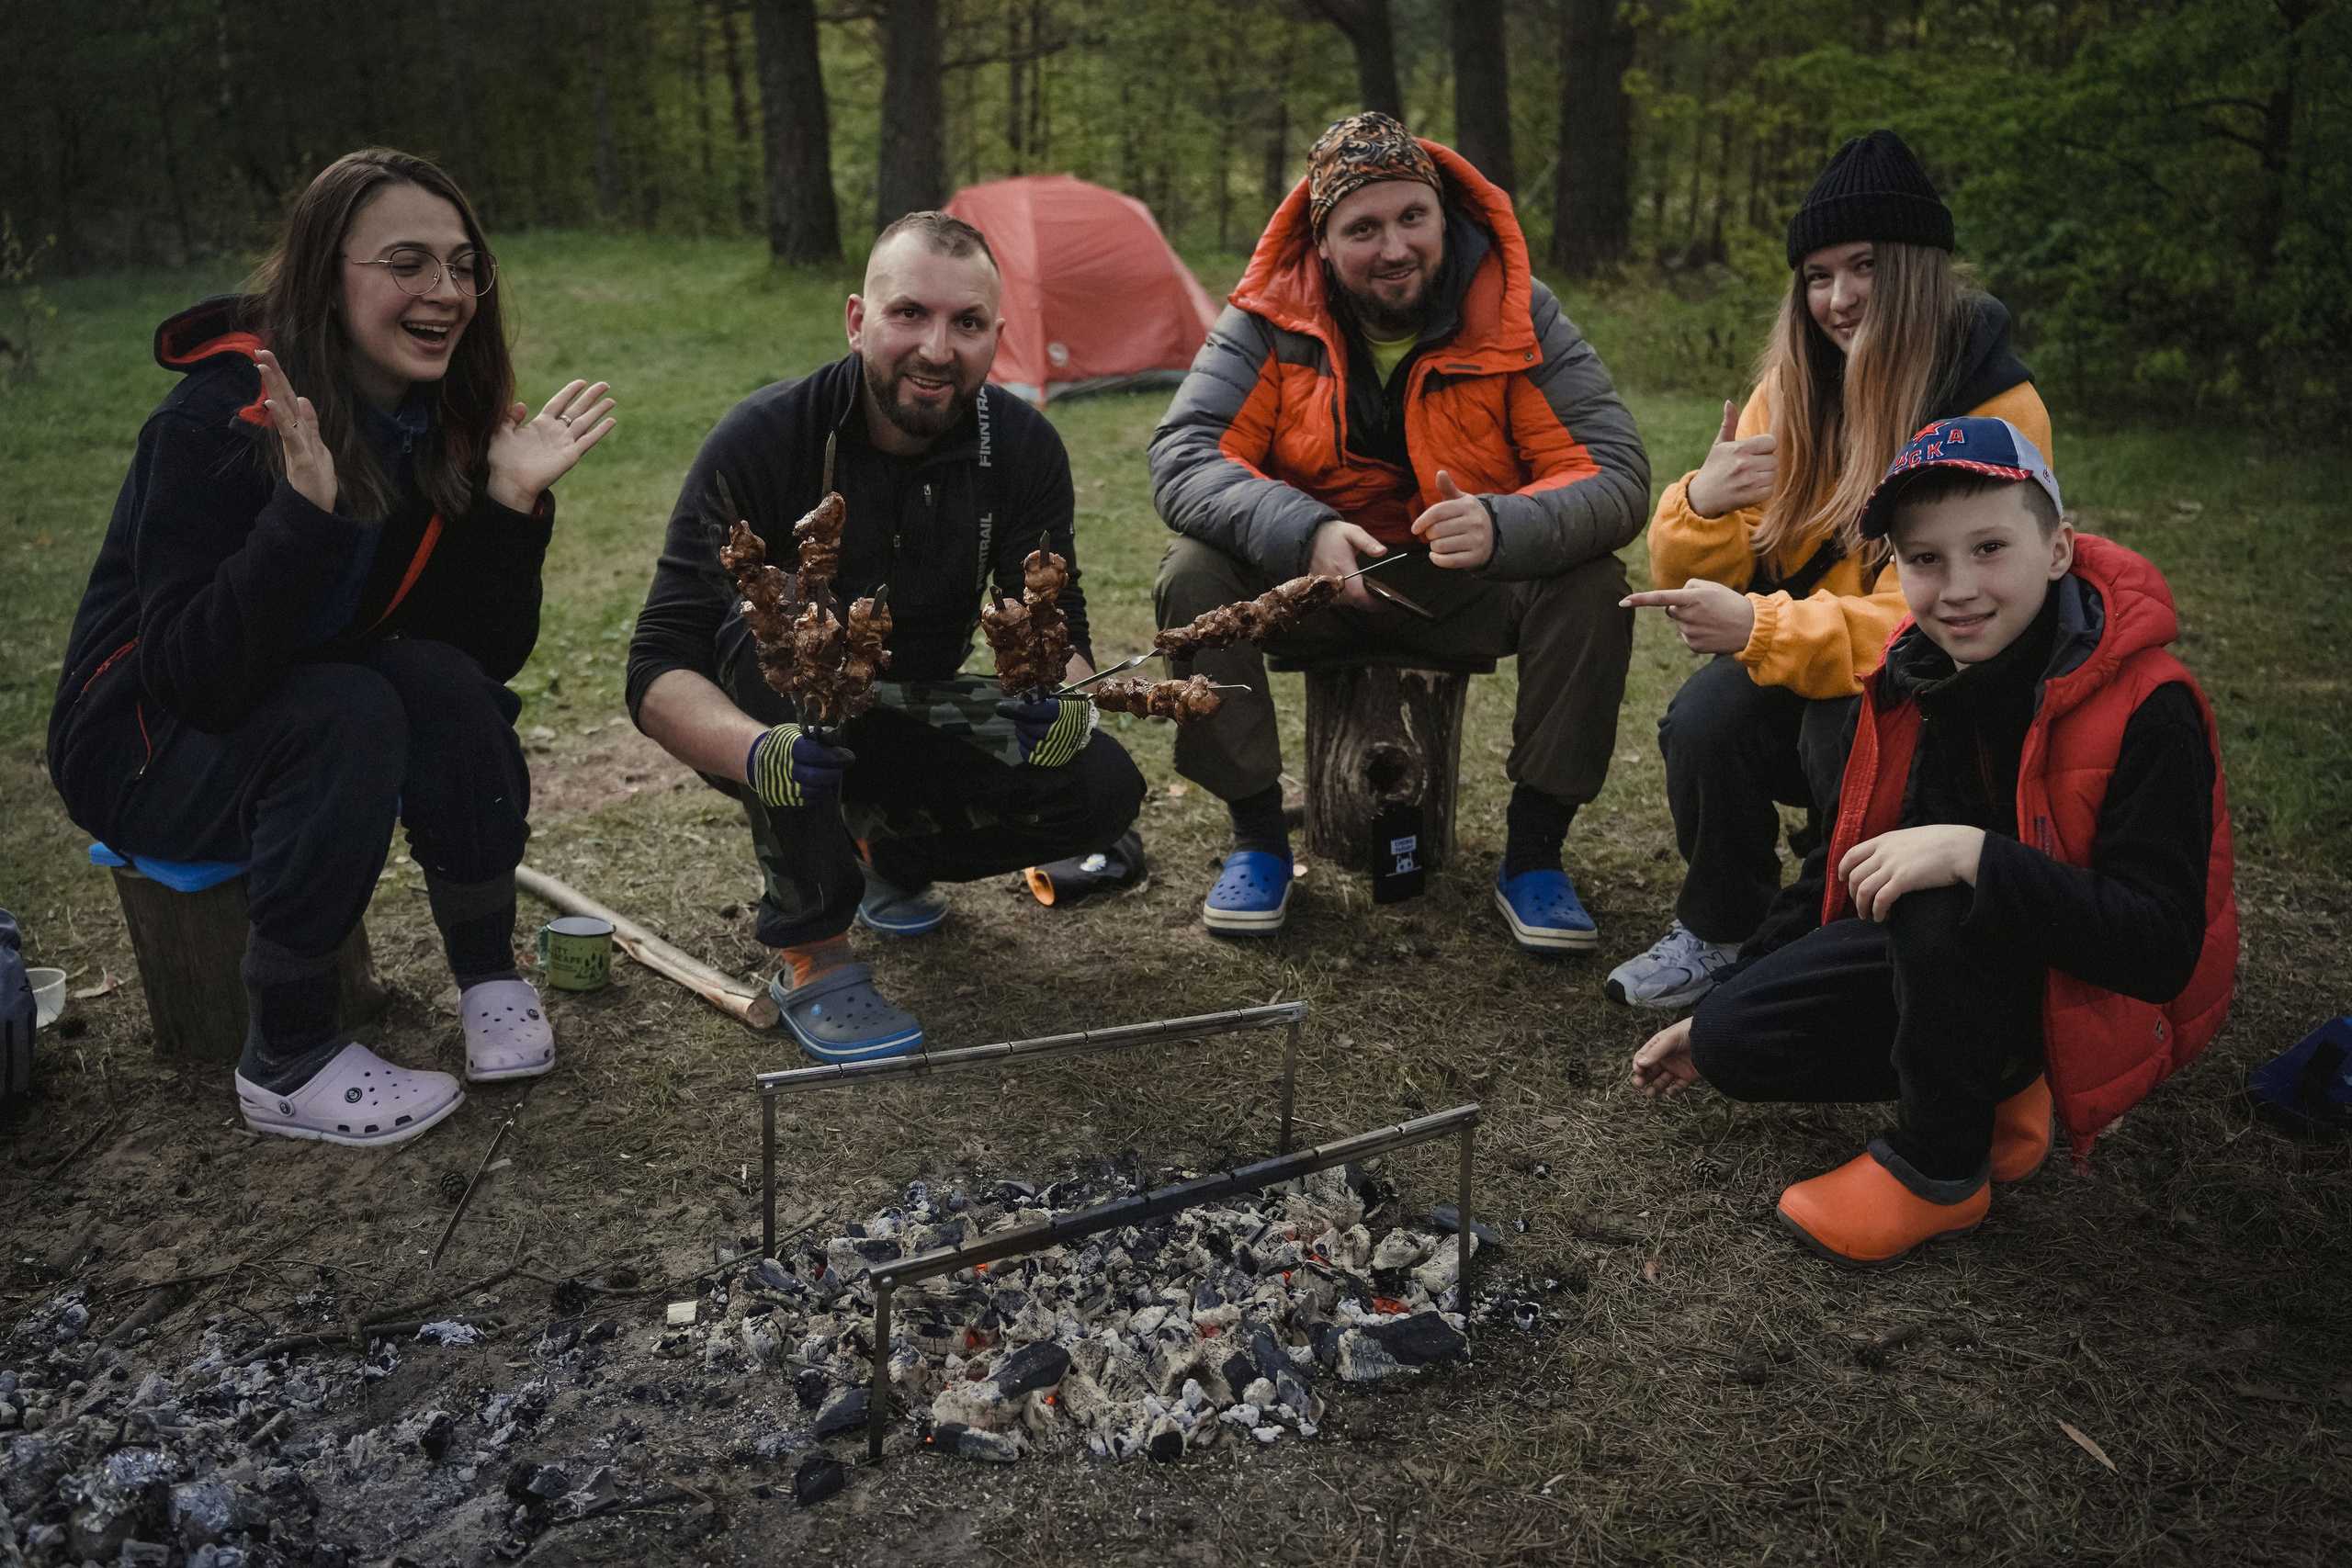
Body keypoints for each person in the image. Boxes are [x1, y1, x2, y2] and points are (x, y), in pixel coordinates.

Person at [48, 148, 617, 1145]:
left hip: (285, 710)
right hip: (140, 743)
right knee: (347, 711)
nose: (446, 291)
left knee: (438, 683)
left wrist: (505, 506)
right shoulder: (214, 423)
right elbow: (192, 674)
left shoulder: (421, 421)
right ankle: (287, 1056)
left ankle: (488, 976)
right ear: (324, 275)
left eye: (462, 265)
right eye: (406, 261)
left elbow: (479, 659)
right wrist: (302, 518)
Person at [1630, 419, 2237, 1267]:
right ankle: (2000, 1082)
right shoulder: (1914, 673)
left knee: (1943, 885)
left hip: (2096, 990)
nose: (1958, 588)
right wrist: (1717, 1007)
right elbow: (1845, 860)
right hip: (1968, 952)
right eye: (1925, 560)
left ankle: (1940, 1170)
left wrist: (1975, 856)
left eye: (1990, 547)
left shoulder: (2149, 707)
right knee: (1736, 1036)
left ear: (2058, 548)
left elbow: (2161, 949)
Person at [628, 212, 1145, 1064]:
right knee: (797, 628)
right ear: (857, 320)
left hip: (910, 703)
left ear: (997, 338)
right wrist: (757, 751)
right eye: (910, 314)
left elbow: (1054, 625)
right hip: (772, 717)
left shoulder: (1021, 449)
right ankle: (813, 947)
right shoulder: (765, 438)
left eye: (967, 323)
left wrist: (1067, 703)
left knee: (1098, 786)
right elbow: (656, 663)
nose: (937, 349)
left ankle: (884, 853)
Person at [1148, 112, 1648, 947]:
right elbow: (1184, 455)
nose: (1394, 247)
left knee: (1594, 581)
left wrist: (1502, 524)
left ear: (1442, 217)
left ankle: (1535, 854)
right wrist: (1302, 530)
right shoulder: (1269, 318)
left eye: (1413, 217)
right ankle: (1259, 839)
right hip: (1311, 585)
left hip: (1464, 578)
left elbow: (1616, 472)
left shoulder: (1516, 313)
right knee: (1193, 569)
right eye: (1362, 228)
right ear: (1322, 241)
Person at [1608, 130, 2054, 1010]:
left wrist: (1759, 626)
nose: (1839, 298)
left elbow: (1924, 617)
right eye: (1817, 276)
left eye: (1865, 268)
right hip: (1816, 652)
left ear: (1918, 268)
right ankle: (1719, 924)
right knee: (1704, 717)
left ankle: (1840, 932)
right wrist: (1704, 501)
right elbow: (1711, 562)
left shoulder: (1993, 408)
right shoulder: (1795, 384)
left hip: (1946, 681)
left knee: (1838, 730)